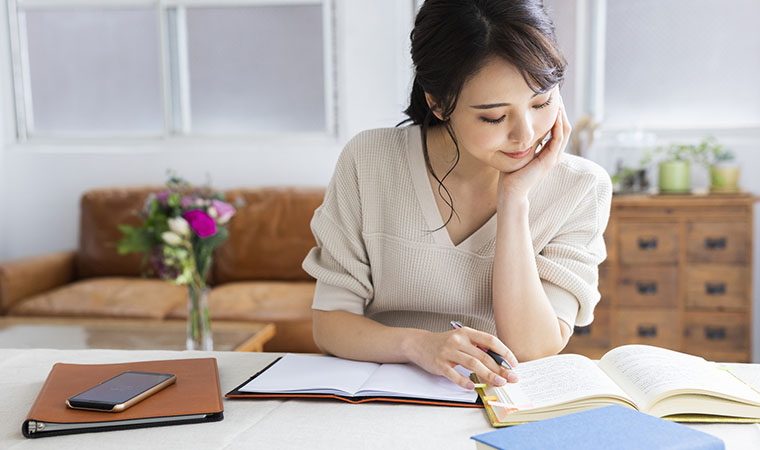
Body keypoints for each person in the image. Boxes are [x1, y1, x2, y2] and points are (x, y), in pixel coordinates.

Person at [302, 0, 612, 391]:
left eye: (541, 102)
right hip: (380, 396)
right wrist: (420, 346)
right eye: (494, 117)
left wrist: (514, 200)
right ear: (438, 101)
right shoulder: (369, 161)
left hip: (502, 404)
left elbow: (533, 350)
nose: (526, 134)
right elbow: (330, 322)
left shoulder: (581, 187)